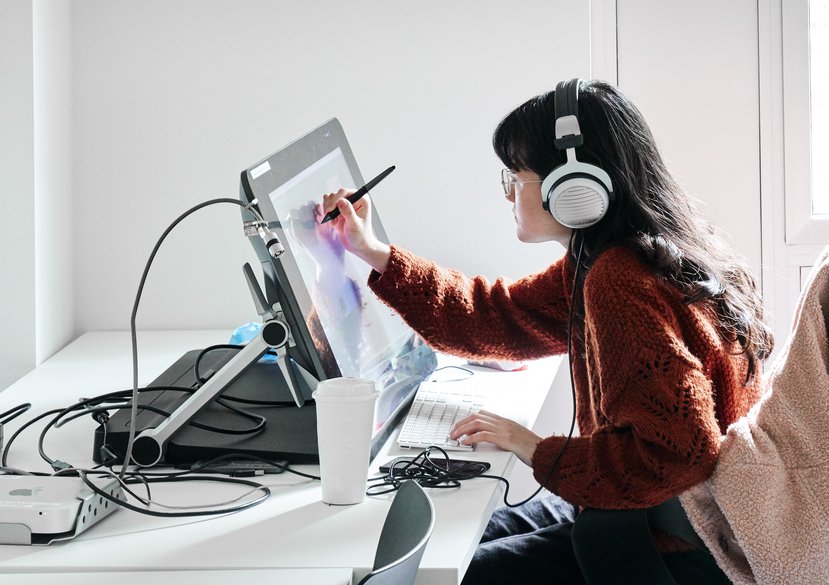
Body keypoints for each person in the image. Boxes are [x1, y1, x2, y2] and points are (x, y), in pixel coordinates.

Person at [319, 79, 773, 584]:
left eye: (516, 175)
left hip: (660, 547)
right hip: (639, 513)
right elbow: (496, 316)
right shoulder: (621, 256)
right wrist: (374, 252)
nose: (508, 191)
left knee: (434, 575)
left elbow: (678, 450)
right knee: (450, 546)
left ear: (574, 186)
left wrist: (533, 447)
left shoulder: (621, 282)